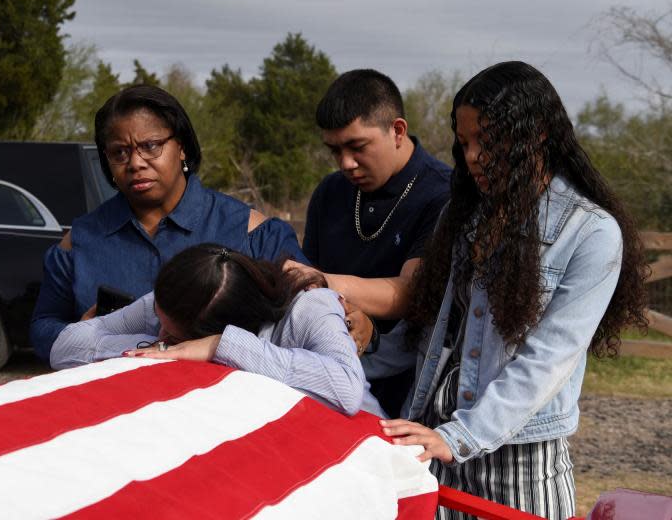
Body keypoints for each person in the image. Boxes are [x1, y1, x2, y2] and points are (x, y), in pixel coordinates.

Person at [369, 61, 648, 519]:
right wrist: (352, 357)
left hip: (518, 461)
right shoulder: (460, 217)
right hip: (437, 450)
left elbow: (548, 359)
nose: (473, 155)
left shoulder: (591, 233)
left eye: (488, 140)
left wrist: (460, 437)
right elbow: (432, 329)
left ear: (536, 135)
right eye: (464, 143)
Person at [29, 85, 339, 363]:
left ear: (183, 147)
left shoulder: (252, 231)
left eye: (151, 146)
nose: (135, 163)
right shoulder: (79, 240)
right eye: (119, 152)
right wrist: (83, 333)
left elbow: (312, 312)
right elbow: (42, 329)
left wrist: (360, 326)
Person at [51, 244, 384, 417]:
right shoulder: (169, 303)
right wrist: (160, 346)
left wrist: (223, 346)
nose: (161, 333)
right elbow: (66, 346)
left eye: (174, 336)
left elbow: (347, 390)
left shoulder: (309, 307)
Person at [290, 69, 451, 417]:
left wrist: (322, 283)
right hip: (325, 378)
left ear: (397, 130)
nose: (346, 163)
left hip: (409, 397)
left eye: (357, 147)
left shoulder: (443, 195)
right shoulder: (331, 192)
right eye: (335, 150)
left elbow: (412, 292)